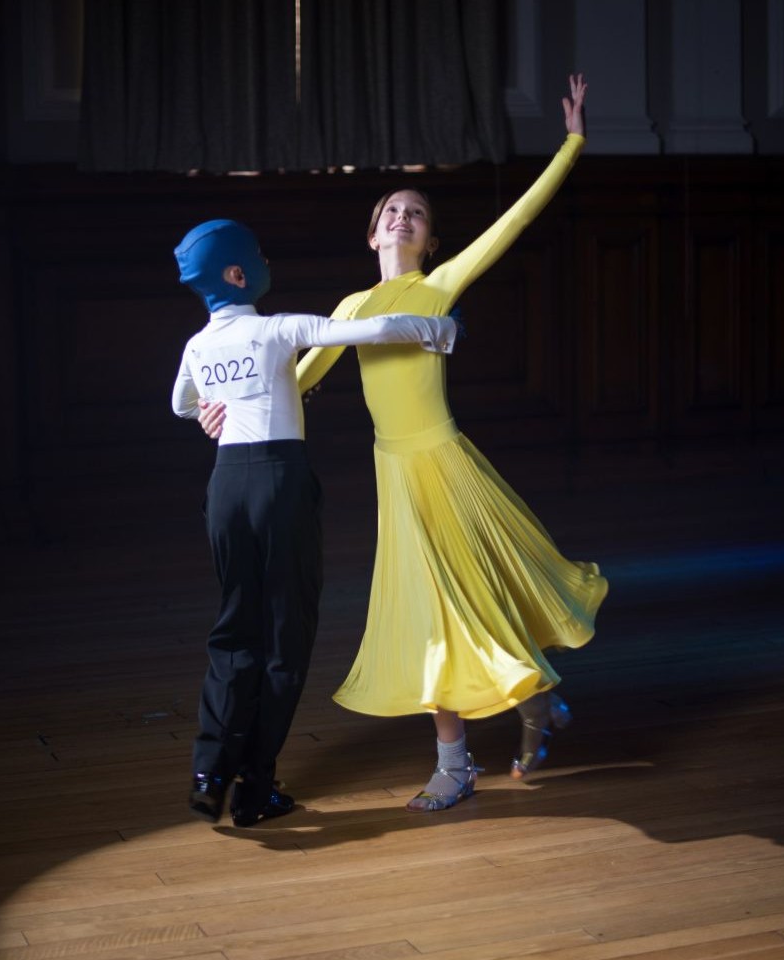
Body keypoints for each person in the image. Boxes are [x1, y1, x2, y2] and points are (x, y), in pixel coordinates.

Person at [199, 74, 608, 813]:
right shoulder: (353, 308)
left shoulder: (439, 286)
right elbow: (295, 375)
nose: (403, 218)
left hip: (446, 466)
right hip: (396, 476)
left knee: (483, 597)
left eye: (416, 213)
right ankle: (459, 760)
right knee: (427, 613)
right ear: (372, 231)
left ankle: (530, 706)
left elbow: (515, 221)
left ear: (430, 238)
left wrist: (572, 141)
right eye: (392, 210)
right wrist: (224, 406)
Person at [171, 218, 458, 827]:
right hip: (280, 483)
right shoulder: (279, 329)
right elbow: (372, 329)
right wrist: (438, 329)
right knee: (286, 638)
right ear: (239, 274)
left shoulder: (198, 346)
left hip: (225, 488)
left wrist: (207, 410)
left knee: (232, 631)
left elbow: (181, 402)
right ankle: (254, 785)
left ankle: (209, 771)